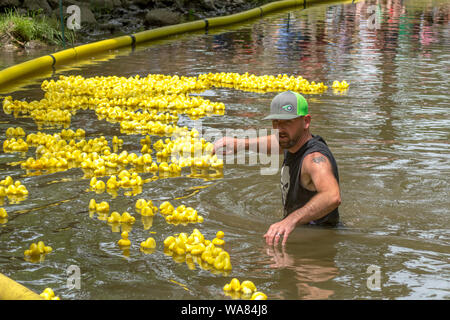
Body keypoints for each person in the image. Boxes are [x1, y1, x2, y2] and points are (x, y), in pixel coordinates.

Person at [213, 91, 341, 246]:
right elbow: (275, 143)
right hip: (296, 232)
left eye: (287, 122)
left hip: (317, 239)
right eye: (275, 122)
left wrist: (290, 220)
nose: (279, 129)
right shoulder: (292, 141)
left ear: (306, 121)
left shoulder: (314, 159)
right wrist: (240, 144)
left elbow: (332, 196)